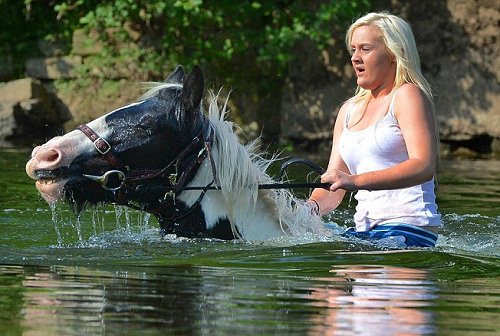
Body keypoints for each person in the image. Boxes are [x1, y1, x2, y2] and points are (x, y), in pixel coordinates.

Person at [306, 12, 441, 247]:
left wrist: (355, 181)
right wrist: (308, 208)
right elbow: (334, 185)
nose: (355, 58)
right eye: (353, 50)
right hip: (365, 232)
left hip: (410, 230)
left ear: (392, 53)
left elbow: (424, 165)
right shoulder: (348, 110)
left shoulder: (407, 95)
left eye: (365, 49)